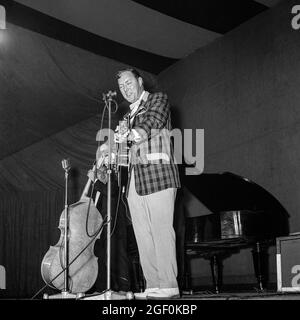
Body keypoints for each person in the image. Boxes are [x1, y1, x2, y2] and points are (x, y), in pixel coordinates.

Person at [114, 68, 181, 299]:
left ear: (140, 81)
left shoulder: (157, 99)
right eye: (122, 87)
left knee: (162, 231)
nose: (126, 89)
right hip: (135, 180)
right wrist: (109, 155)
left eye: (129, 83)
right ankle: (153, 285)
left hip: (159, 174)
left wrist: (129, 135)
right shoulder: (125, 118)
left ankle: (169, 285)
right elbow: (123, 152)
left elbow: (153, 121)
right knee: (143, 234)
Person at [86, 156, 132, 294]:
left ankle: (124, 287)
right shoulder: (100, 182)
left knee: (119, 254)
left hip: (117, 222)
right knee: (101, 255)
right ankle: (101, 288)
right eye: (98, 170)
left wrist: (96, 180)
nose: (100, 172)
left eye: (102, 169)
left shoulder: (115, 176)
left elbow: (112, 192)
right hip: (102, 224)